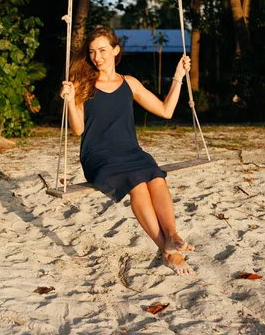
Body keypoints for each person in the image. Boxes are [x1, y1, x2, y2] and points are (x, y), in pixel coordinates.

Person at [60, 26, 195, 276]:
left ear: (116, 50)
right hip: (98, 156)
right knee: (137, 184)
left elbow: (166, 111)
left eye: (102, 50)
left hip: (130, 151)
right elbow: (78, 130)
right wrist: (69, 101)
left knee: (155, 177)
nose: (97, 57)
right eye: (92, 52)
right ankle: (169, 251)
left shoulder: (129, 83)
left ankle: (172, 234)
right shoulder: (83, 84)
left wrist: (178, 77)